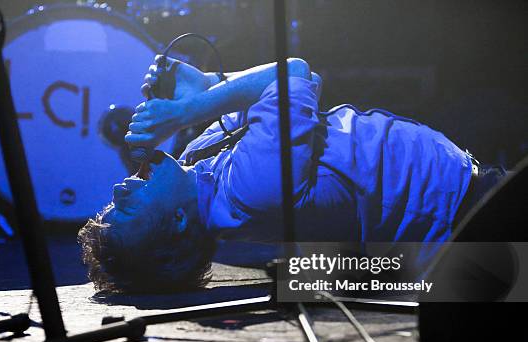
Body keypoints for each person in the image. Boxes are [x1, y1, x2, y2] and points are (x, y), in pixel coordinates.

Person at [78, 56, 501, 293]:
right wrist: (192, 108)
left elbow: (267, 94)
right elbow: (294, 74)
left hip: (467, 190)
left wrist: (209, 84)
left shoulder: (197, 158)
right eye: (127, 208)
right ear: (178, 220)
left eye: (114, 201)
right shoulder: (247, 194)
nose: (120, 187)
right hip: (473, 215)